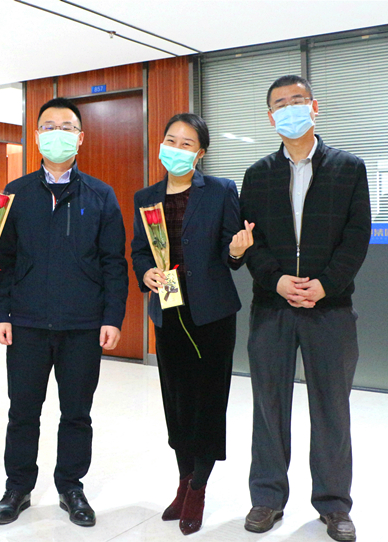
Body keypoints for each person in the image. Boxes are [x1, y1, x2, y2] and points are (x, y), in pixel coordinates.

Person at [240, 75, 370, 542]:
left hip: (330, 309)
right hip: (271, 308)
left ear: (314, 107)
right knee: (268, 405)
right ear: (270, 116)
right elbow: (249, 242)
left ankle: (334, 505)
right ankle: (267, 497)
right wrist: (275, 280)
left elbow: (357, 236)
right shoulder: (257, 174)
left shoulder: (348, 168)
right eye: (280, 103)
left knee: (331, 407)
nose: (289, 108)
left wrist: (324, 285)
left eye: (297, 100)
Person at [0, 97, 128, 527]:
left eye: (67, 127)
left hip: (82, 326)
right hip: (27, 323)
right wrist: (1, 313)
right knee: (22, 412)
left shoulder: (101, 195)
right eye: (49, 126)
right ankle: (17, 488)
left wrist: (112, 317)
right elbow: (1, 259)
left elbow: (114, 263)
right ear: (36, 136)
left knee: (77, 413)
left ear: (80, 138)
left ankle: (71, 486)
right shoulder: (14, 194)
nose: (58, 134)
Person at [130, 113, 254, 535]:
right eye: (171, 140)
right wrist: (145, 271)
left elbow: (230, 253)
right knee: (178, 402)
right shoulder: (146, 197)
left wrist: (236, 250)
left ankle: (198, 487)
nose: (176, 149)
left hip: (212, 314)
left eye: (186, 144)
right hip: (168, 311)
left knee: (208, 403)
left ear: (200, 153)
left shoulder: (220, 190)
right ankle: (183, 481)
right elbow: (139, 250)